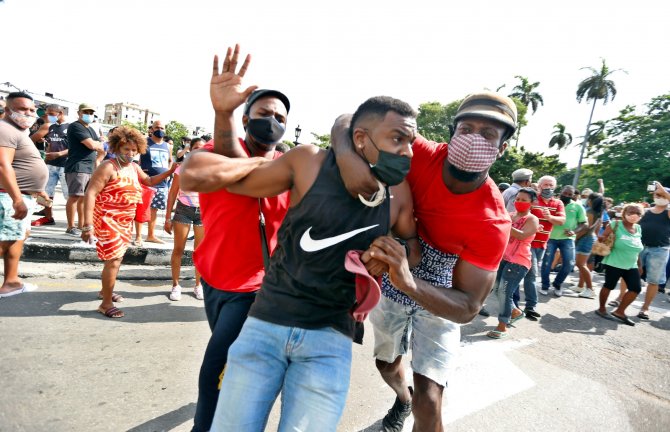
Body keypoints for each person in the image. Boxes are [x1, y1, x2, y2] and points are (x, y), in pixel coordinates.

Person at [332, 91, 515, 432]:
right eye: (466, 129)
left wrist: (409, 281)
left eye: (488, 134)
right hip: (392, 263)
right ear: (452, 133)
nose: (474, 139)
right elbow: (350, 121)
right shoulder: (420, 154)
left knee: (429, 402)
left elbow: (468, 307)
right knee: (386, 364)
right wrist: (346, 156)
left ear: (502, 147)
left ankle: (416, 401)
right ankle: (402, 397)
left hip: (444, 285)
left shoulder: (493, 221)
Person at [180, 46, 294, 432]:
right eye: (264, 114)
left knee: (215, 363)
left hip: (256, 287)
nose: (273, 121)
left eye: (280, 117)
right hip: (214, 278)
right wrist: (222, 113)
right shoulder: (215, 153)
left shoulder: (292, 170)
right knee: (230, 359)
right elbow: (192, 176)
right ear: (245, 118)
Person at [81, 126, 176, 318]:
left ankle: (104, 291)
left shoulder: (133, 167)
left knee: (115, 260)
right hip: (107, 220)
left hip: (125, 222)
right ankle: (105, 303)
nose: (130, 154)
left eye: (134, 150)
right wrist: (87, 225)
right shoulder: (108, 166)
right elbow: (90, 194)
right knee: (114, 261)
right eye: (126, 149)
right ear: (116, 148)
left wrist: (170, 171)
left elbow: (148, 181)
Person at [0, 92, 49, 298]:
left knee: (16, 237)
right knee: (8, 240)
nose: (29, 113)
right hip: (10, 196)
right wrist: (17, 199)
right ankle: (10, 282)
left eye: (32, 110)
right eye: (22, 109)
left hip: (23, 195)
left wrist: (38, 192)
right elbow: (3, 165)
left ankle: (12, 281)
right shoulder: (5, 129)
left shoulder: (17, 130)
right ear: (8, 109)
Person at [487, 187, 539, 339]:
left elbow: (522, 236)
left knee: (505, 292)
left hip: (518, 261)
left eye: (524, 200)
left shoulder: (532, 219)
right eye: (517, 199)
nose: (519, 202)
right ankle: (515, 312)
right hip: (502, 258)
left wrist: (505, 223)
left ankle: (502, 325)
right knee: (496, 289)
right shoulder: (509, 215)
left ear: (532, 203)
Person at [164, 137, 205, 301]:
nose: (199, 150)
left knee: (200, 252)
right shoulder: (181, 169)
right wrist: (167, 218)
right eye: (196, 147)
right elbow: (173, 193)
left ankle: (198, 285)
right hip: (183, 210)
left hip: (202, 213)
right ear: (190, 149)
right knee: (178, 249)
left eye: (203, 148)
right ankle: (175, 285)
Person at [518, 175, 565, 316]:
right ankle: (531, 306)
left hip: (542, 245)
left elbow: (562, 220)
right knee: (532, 274)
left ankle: (510, 298)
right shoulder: (532, 199)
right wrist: (532, 225)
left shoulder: (558, 203)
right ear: (539, 186)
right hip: (528, 242)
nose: (548, 187)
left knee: (525, 274)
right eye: (545, 185)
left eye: (551, 185)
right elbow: (521, 215)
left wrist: (550, 217)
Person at [595, 203, 645, 326]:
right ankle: (601, 309)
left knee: (635, 289)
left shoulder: (638, 228)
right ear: (624, 213)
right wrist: (604, 238)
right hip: (614, 262)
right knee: (609, 285)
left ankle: (620, 311)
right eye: (631, 212)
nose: (634, 215)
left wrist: (639, 265)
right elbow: (602, 239)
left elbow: (637, 248)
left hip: (631, 264)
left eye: (638, 213)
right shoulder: (615, 224)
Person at [64, 103, 105, 236]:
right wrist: (98, 144)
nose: (89, 115)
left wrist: (98, 144)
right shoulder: (76, 126)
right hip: (78, 166)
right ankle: (71, 226)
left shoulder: (91, 129)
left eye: (91, 113)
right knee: (75, 196)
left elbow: (101, 146)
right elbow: (92, 144)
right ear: (79, 113)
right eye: (86, 112)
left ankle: (82, 225)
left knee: (84, 198)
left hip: (89, 167)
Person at [540, 185, 587, 297]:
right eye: (565, 193)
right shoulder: (553, 203)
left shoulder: (577, 206)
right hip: (550, 237)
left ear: (573, 195)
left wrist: (574, 231)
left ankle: (557, 284)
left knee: (569, 264)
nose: (566, 196)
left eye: (569, 194)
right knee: (546, 263)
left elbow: (584, 223)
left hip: (567, 239)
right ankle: (545, 285)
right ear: (561, 192)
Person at [32, 104, 69, 227]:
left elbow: (74, 148)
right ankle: (48, 217)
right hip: (50, 165)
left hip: (66, 166)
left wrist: (59, 154)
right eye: (47, 114)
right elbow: (47, 142)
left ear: (61, 113)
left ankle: (73, 224)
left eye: (51, 114)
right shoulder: (49, 126)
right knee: (44, 193)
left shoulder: (71, 127)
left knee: (70, 196)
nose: (48, 116)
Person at [637, 182, 670, 319]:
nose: (659, 196)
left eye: (662, 195)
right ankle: (620, 298)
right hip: (639, 247)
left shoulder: (668, 212)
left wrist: (663, 189)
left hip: (659, 250)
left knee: (653, 280)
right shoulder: (646, 211)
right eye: (657, 194)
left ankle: (645, 308)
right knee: (628, 273)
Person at [136, 120, 172, 245]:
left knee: (154, 209)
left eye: (162, 127)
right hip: (146, 180)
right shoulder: (144, 143)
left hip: (162, 183)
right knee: (142, 207)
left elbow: (170, 161)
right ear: (151, 129)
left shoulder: (168, 146)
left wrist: (167, 172)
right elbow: (137, 159)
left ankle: (150, 235)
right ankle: (138, 236)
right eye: (157, 127)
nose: (159, 129)